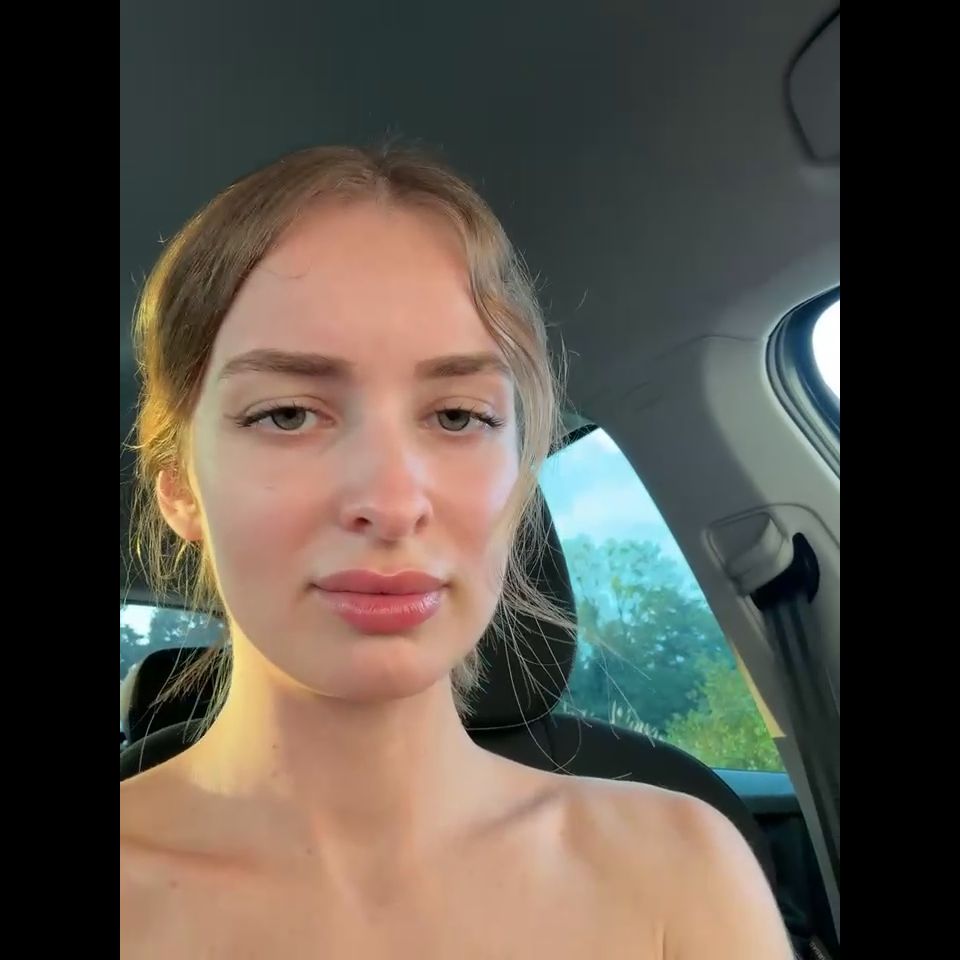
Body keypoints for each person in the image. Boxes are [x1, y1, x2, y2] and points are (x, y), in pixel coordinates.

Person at [120, 144, 792, 959]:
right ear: (180, 489)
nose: (393, 502)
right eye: (287, 414)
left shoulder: (680, 869)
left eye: (458, 416)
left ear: (518, 478)